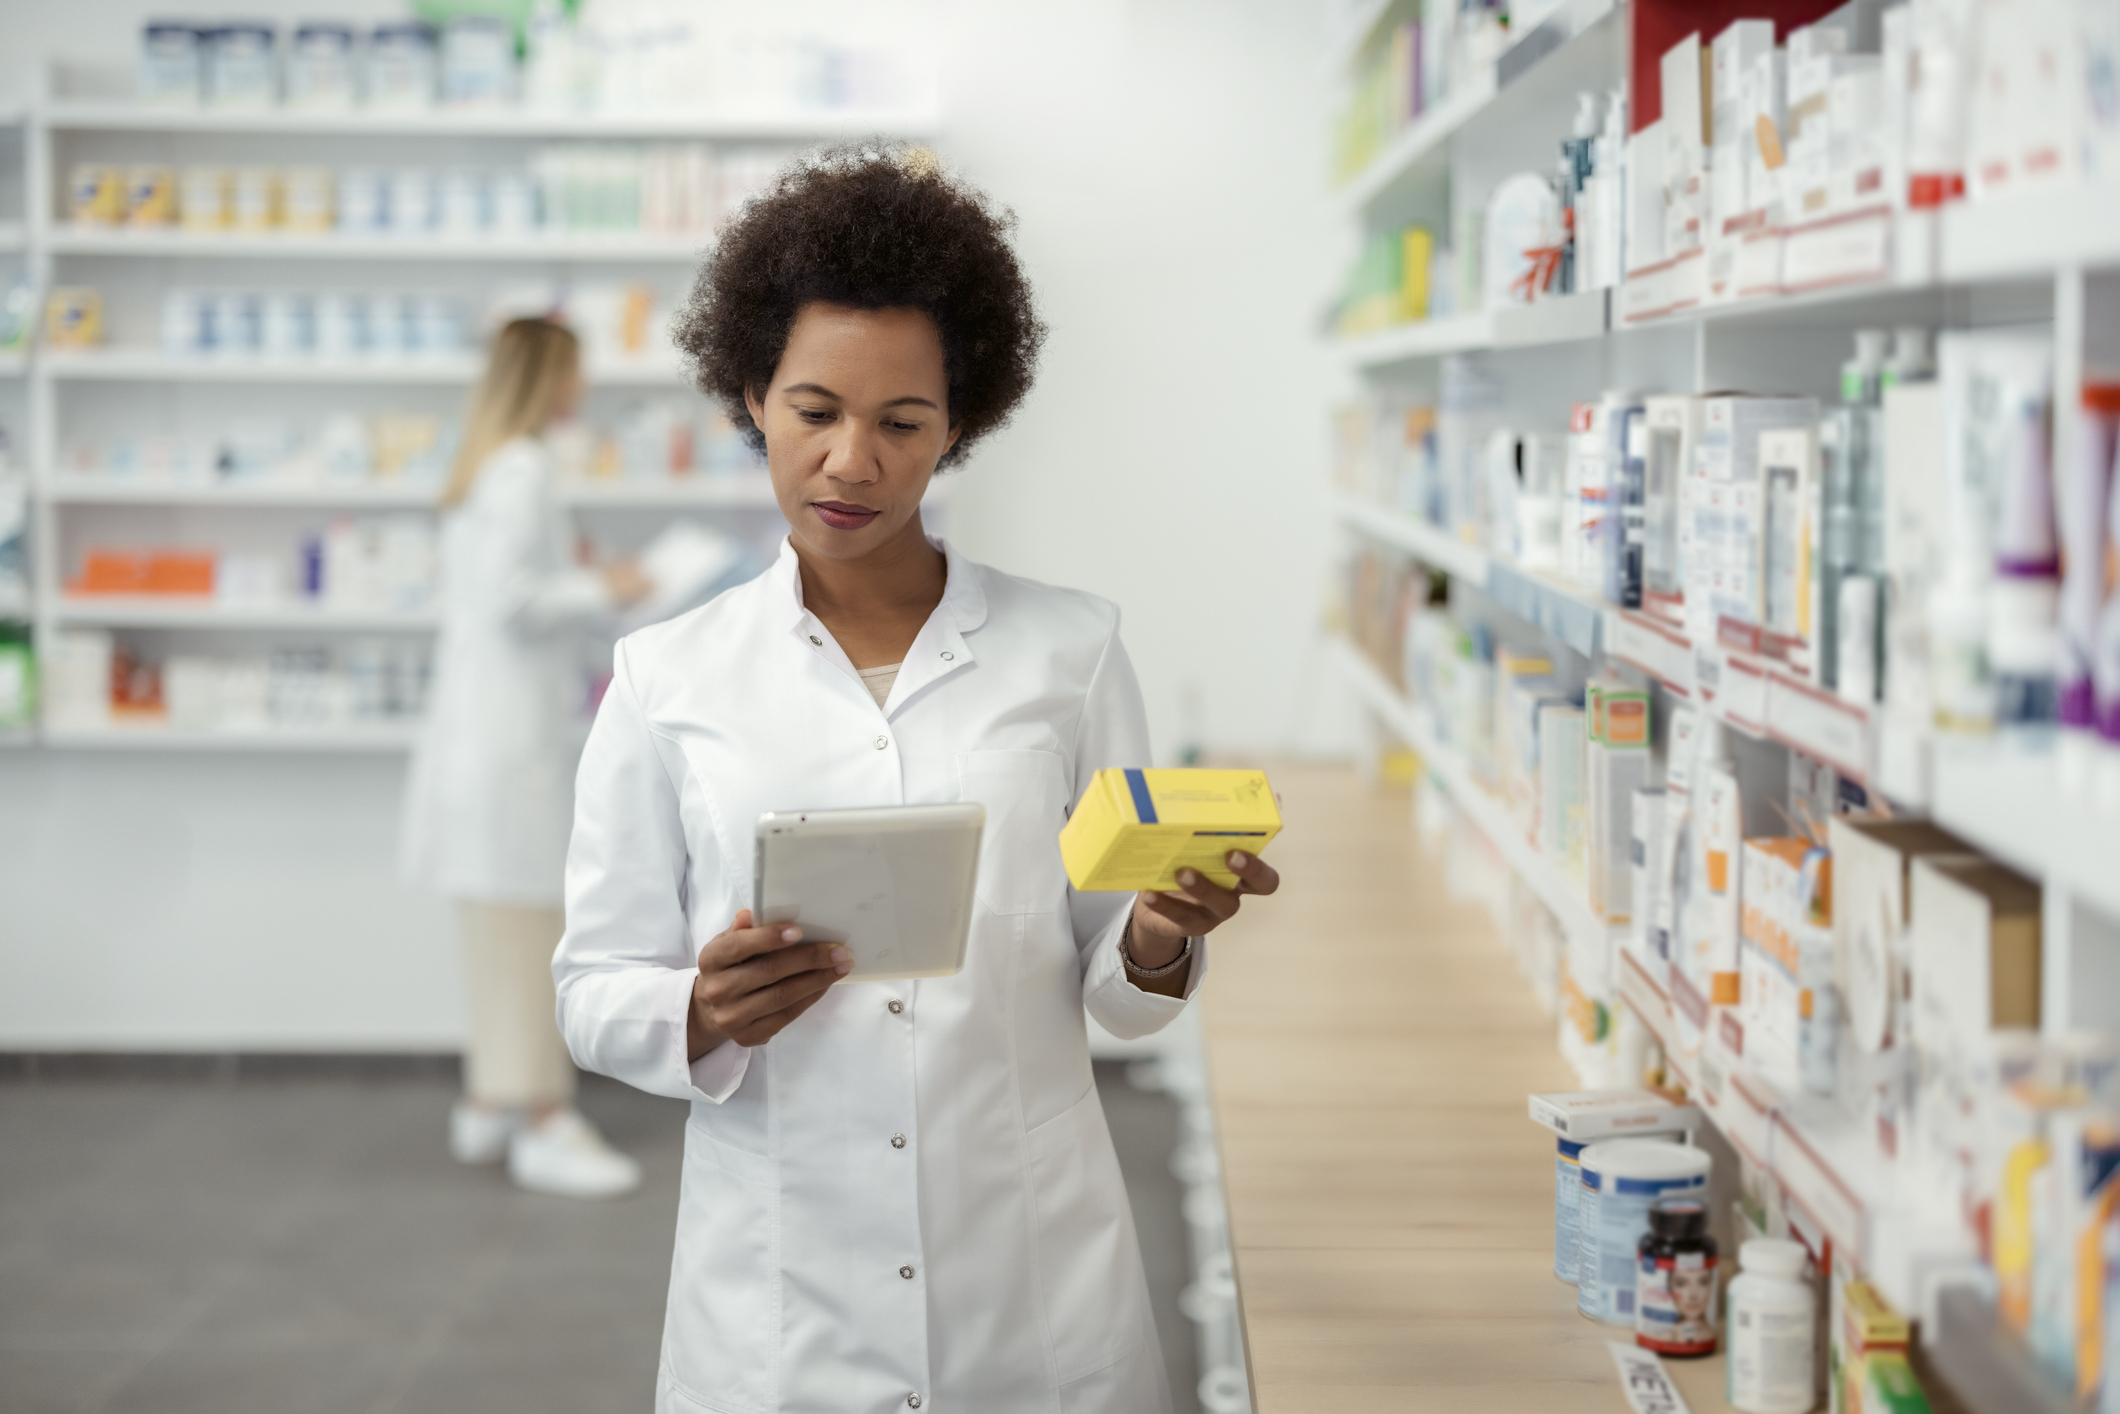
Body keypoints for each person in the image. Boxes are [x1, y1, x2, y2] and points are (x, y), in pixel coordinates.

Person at [552, 145, 1280, 1412]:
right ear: (749, 398)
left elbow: (1122, 987)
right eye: (814, 410)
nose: (851, 463)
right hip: (779, 1302)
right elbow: (591, 989)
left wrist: (1158, 933)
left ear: (960, 425)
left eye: (902, 423)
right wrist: (703, 1012)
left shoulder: (1071, 649)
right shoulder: (668, 676)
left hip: (1030, 1282)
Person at [401, 316, 654, 1199]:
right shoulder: (525, 470)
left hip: (482, 740)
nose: (582, 385)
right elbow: (516, 602)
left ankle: (488, 1101)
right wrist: (608, 587)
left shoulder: (484, 467)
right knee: (535, 932)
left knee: (497, 929)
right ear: (551, 376)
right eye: (576, 370)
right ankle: (543, 1118)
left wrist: (573, 573)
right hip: (510, 748)